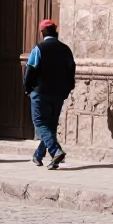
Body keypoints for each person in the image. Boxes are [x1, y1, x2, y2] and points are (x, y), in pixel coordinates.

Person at [23, 19, 76, 170]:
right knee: (50, 125)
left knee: (40, 123)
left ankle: (55, 151)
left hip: (41, 92)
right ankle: (38, 156)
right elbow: (71, 70)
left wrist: (27, 88)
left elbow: (30, 70)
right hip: (59, 94)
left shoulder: (39, 48)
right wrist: (67, 90)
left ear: (42, 32)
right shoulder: (66, 50)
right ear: (55, 31)